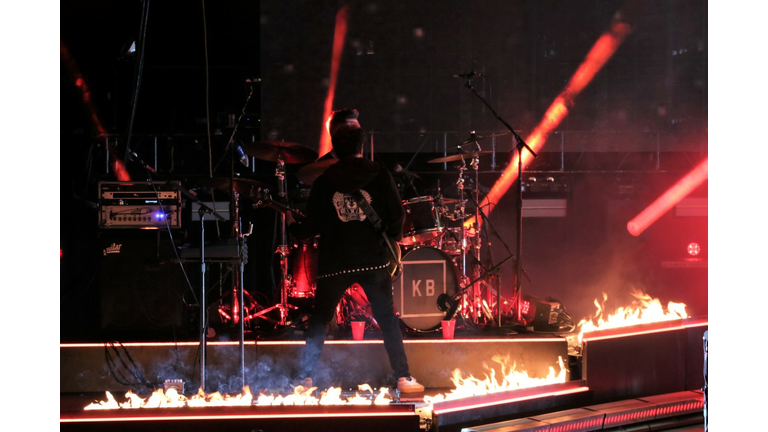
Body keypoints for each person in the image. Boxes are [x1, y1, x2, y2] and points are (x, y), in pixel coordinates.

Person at [286, 108, 424, 393]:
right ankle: (404, 377)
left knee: (320, 319)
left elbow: (312, 225)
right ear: (362, 146)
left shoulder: (324, 182)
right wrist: (389, 238)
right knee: (387, 319)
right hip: (373, 261)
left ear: (335, 148)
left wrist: (293, 227)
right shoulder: (380, 174)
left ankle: (305, 379)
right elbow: (398, 215)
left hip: (335, 262)